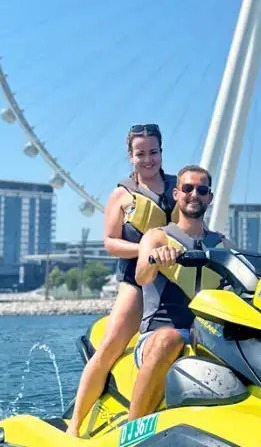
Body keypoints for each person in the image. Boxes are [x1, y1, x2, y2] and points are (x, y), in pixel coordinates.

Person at [66, 123, 178, 437]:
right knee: (109, 348)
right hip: (136, 281)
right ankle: (74, 425)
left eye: (153, 152)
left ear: (161, 152)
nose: (148, 159)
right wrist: (145, 250)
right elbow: (110, 242)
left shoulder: (179, 188)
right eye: (140, 153)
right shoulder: (121, 195)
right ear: (130, 156)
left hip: (177, 281)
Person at [129, 164, 226, 421]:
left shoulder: (223, 245)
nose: (194, 194)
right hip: (157, 337)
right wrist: (155, 260)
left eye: (201, 190)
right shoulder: (157, 237)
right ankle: (132, 428)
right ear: (176, 194)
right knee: (169, 339)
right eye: (188, 188)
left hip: (205, 338)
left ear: (209, 197)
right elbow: (141, 276)